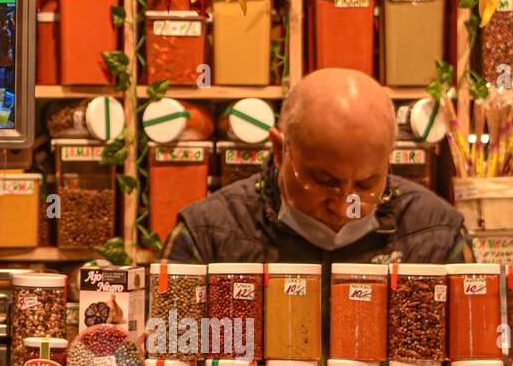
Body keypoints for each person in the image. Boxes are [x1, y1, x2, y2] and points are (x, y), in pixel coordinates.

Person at [162, 68, 473, 265]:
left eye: (366, 184)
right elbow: (168, 357)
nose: (344, 206)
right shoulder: (206, 237)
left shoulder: (438, 236)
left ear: (389, 156)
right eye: (324, 180)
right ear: (280, 150)